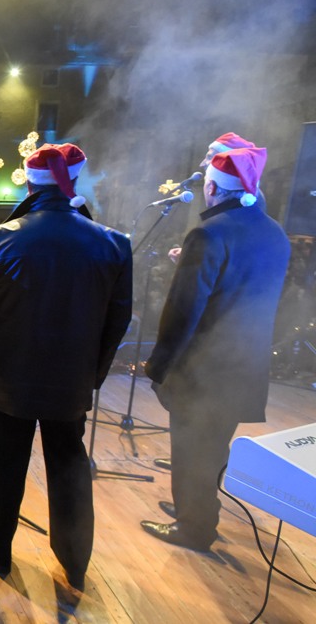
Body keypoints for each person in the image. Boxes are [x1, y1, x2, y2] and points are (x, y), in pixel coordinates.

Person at [0, 143, 132, 590]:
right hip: (71, 381)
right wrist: (92, 375)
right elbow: (118, 320)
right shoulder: (114, 243)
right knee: (69, 461)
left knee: (8, 462)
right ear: (75, 183)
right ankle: (74, 562)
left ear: (30, 183)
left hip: (9, 376)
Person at [142, 135, 289, 551]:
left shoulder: (209, 234)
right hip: (246, 363)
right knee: (213, 448)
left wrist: (160, 364)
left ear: (211, 188)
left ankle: (194, 528)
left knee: (190, 449)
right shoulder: (275, 232)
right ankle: (198, 510)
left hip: (204, 368)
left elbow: (185, 309)